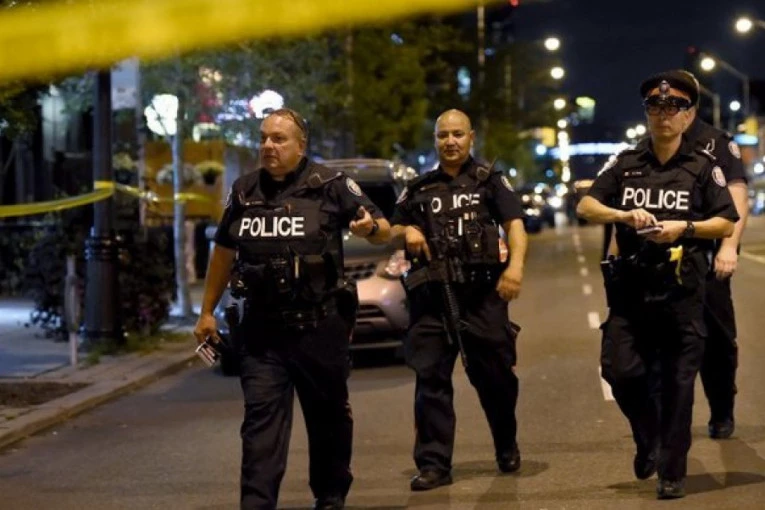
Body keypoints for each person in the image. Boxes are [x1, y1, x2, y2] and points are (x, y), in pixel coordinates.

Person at [193, 108, 391, 510]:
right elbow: (224, 251)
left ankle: (330, 495)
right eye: (263, 138)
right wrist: (206, 311)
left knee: (328, 418)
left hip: (319, 328)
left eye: (278, 139)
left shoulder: (332, 185)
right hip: (262, 333)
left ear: (301, 146)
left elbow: (382, 228)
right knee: (260, 426)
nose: (268, 146)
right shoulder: (244, 191)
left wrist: (369, 228)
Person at [577, 73, 739, 499]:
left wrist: (684, 227)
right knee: (619, 371)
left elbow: (726, 221)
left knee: (677, 387)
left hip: (682, 294)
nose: (664, 114)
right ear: (647, 113)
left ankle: (672, 472)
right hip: (631, 294)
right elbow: (587, 204)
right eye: (655, 106)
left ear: (687, 116)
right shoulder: (625, 163)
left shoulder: (703, 167)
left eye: (674, 107)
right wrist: (623, 216)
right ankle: (646, 435)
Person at [389, 109, 528, 491]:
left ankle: (506, 442)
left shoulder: (489, 181)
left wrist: (515, 269)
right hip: (432, 298)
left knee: (496, 376)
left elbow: (515, 226)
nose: (450, 141)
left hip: (482, 295)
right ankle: (434, 464)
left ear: (471, 138)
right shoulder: (419, 187)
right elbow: (390, 227)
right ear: (435, 140)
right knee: (430, 378)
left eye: (457, 134)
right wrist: (407, 231)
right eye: (443, 135)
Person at [668, 70, 750, 440]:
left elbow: (737, 196)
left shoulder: (717, 143)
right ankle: (666, 419)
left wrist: (729, 247)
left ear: (692, 104)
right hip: (663, 262)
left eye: (678, 101)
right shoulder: (652, 143)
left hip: (707, 257)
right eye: (662, 103)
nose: (669, 108)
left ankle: (721, 410)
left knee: (716, 341)